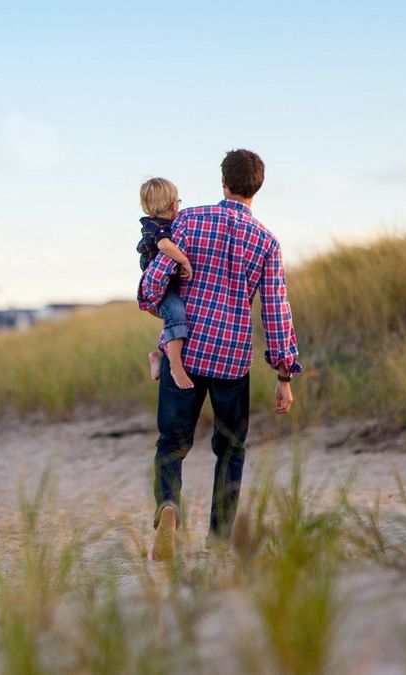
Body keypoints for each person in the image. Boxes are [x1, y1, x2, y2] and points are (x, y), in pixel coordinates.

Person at [137, 149, 302, 561]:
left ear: (223, 182)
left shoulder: (189, 220)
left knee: (171, 445)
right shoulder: (266, 241)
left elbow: (153, 283)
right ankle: (220, 538)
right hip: (232, 360)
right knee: (230, 449)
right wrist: (284, 376)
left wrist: (155, 301)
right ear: (256, 187)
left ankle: (169, 507)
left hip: (187, 354)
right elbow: (276, 310)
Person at [136, 178, 195, 390]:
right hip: (161, 288)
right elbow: (164, 246)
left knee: (174, 318)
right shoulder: (158, 227)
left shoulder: (161, 224)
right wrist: (184, 260)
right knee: (177, 313)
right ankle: (175, 367)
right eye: (178, 201)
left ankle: (159, 355)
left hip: (167, 284)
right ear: (172, 204)